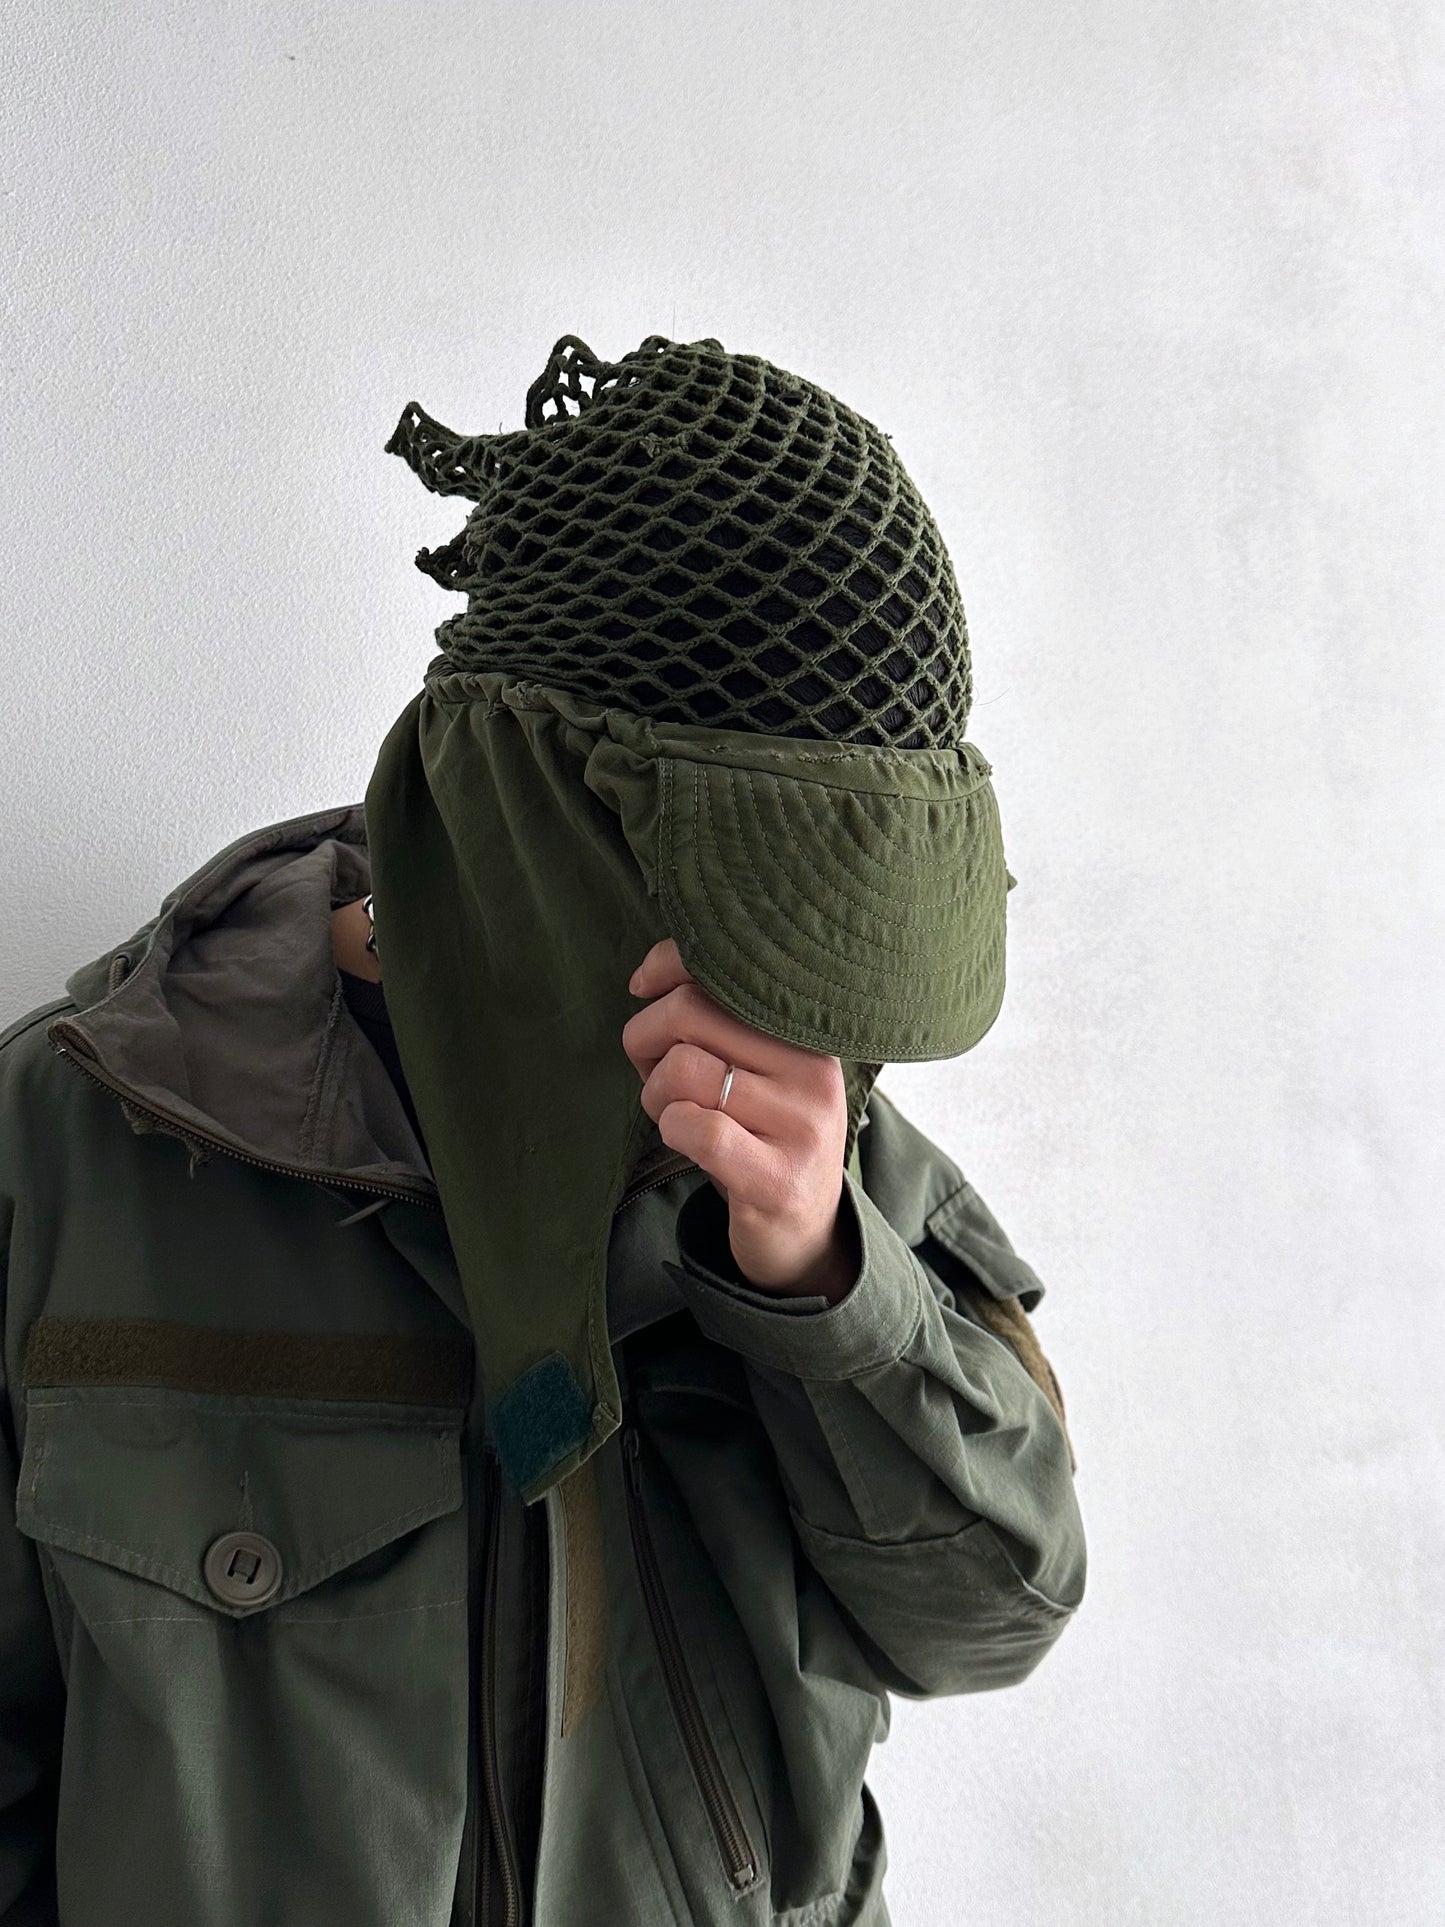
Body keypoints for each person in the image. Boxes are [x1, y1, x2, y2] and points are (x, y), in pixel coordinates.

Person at [0, 333, 1086, 1927]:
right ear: (533, 812)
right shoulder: (83, 1144)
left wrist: (819, 1281)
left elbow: (990, 1622)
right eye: (748, 901)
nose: (786, 1010)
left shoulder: (808, 1149)